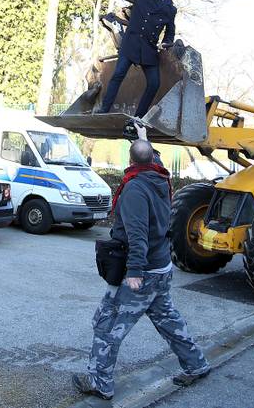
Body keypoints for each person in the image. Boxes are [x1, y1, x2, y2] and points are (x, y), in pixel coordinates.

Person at [72, 123, 210, 401]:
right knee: (168, 319)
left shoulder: (135, 188)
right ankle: (196, 364)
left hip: (142, 272)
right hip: (161, 268)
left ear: (131, 160)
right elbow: (150, 157)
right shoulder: (160, 177)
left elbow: (137, 236)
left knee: (107, 323)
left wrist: (134, 271)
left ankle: (100, 382)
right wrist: (144, 138)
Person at [92, 0, 177, 118]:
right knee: (118, 75)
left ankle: (139, 117)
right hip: (130, 45)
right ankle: (104, 108)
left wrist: (166, 43)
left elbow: (170, 32)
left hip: (149, 49)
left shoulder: (170, 9)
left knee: (154, 83)